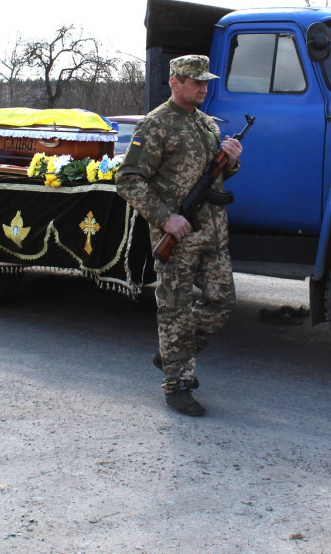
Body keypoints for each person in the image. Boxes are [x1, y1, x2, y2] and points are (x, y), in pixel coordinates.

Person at [116, 55, 242, 417]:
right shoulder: (156, 125)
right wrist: (164, 217)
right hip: (179, 235)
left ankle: (173, 353)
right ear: (175, 82)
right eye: (196, 82)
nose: (204, 88)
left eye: (205, 82)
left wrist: (231, 161)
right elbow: (128, 179)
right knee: (175, 310)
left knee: (223, 301)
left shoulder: (206, 124)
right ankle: (177, 384)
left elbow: (214, 181)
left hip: (213, 234)